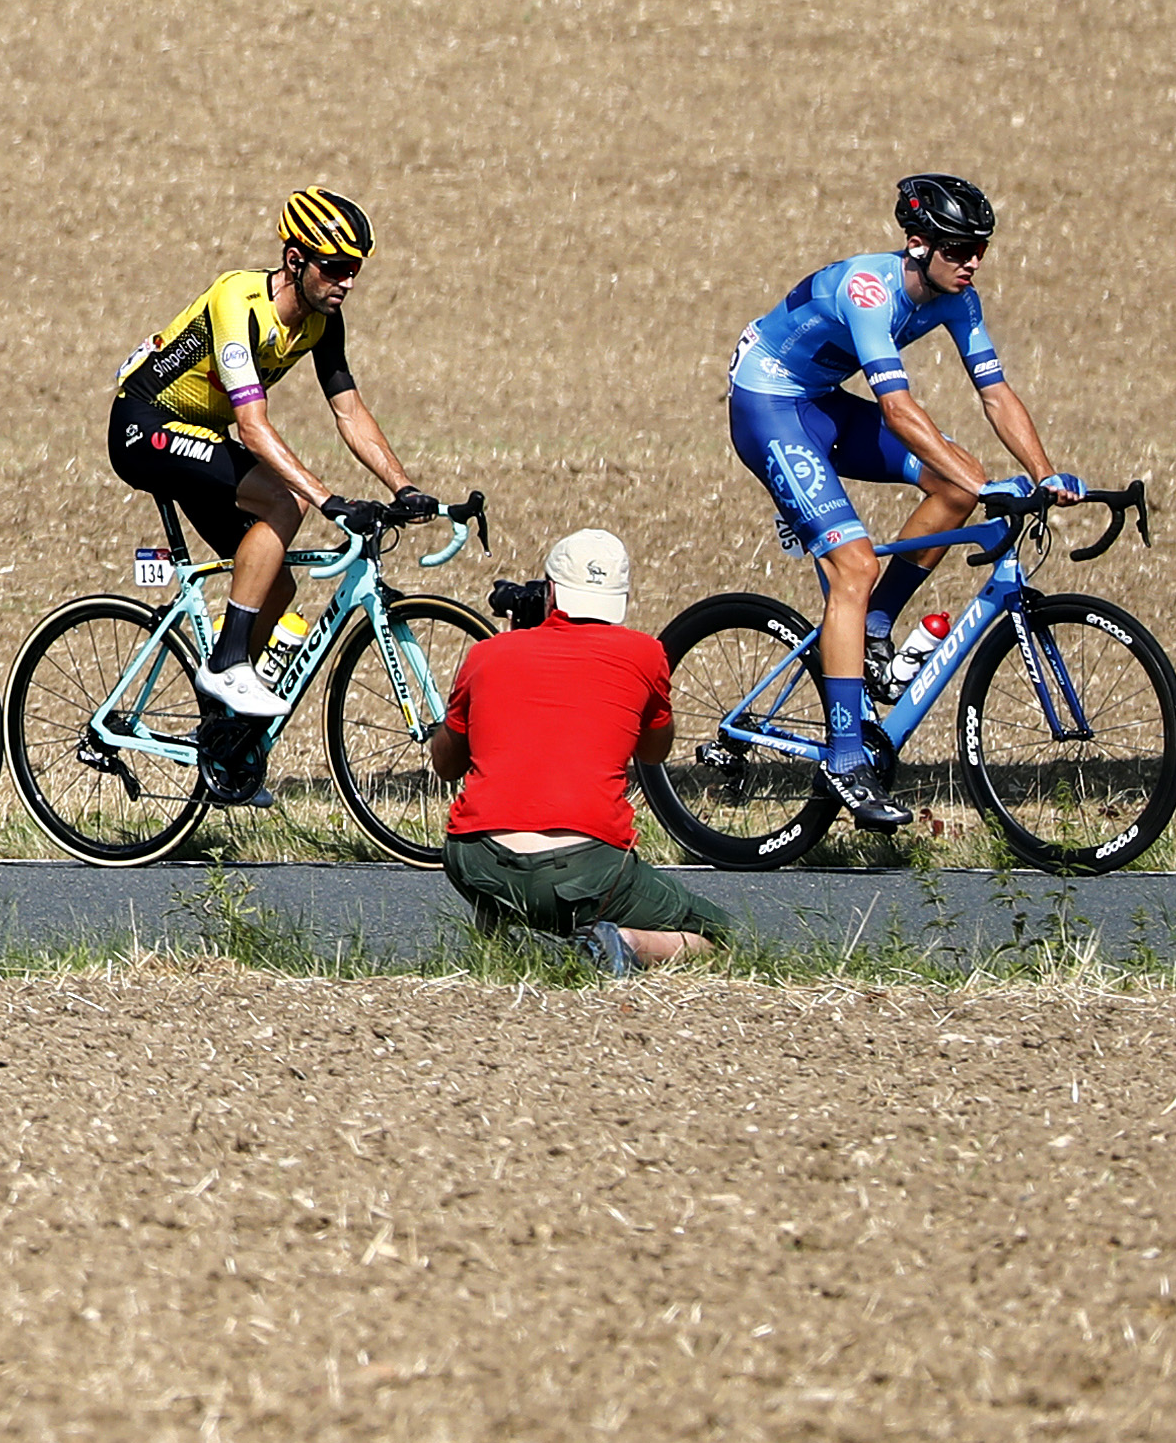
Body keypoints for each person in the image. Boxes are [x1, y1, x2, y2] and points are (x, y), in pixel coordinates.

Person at [724, 172, 1080, 828]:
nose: (972, 262)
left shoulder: (955, 298)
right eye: (958, 249)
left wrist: (1043, 473)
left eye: (980, 248)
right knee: (855, 564)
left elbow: (995, 394)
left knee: (956, 479)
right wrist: (982, 485)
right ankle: (843, 755)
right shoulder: (869, 290)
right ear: (917, 245)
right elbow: (894, 406)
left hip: (819, 402)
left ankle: (875, 629)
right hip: (769, 403)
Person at [110, 188, 442, 794]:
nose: (346, 281)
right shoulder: (236, 300)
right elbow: (253, 428)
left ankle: (223, 742)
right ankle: (226, 665)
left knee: (275, 584)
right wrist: (327, 498)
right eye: (334, 267)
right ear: (295, 260)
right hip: (145, 425)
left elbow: (349, 412)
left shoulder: (321, 321)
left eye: (354, 270)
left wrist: (405, 486)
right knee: (281, 501)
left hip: (194, 433)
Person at [424, 527, 732, 974]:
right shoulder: (645, 655)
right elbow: (654, 751)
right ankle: (623, 942)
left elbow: (445, 764)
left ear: (549, 592)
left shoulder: (488, 654)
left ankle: (494, 954)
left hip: (477, 862)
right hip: (589, 872)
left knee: (505, 831)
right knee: (720, 937)